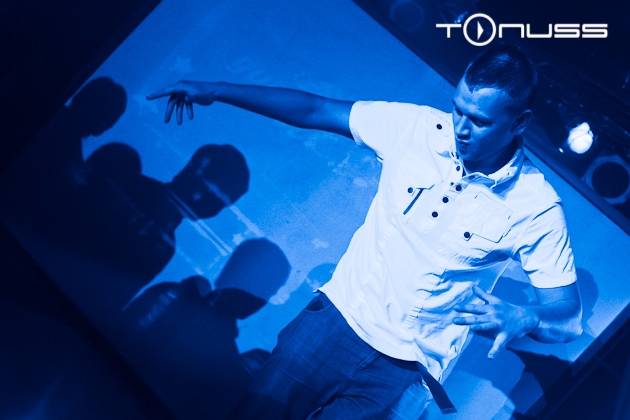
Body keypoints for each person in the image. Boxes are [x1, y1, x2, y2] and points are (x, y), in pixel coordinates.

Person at [147, 45, 583, 419]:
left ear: (519, 122)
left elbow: (568, 317)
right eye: (457, 109)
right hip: (333, 324)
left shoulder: (535, 205)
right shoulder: (415, 128)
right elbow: (315, 109)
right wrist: (215, 90)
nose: (461, 128)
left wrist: (527, 317)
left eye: (480, 121)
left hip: (406, 374)